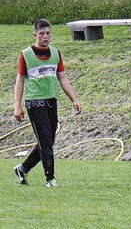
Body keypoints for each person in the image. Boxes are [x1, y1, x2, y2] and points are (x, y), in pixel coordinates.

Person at [13, 19, 82, 187]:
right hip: (35, 102)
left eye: (48, 33)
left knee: (48, 142)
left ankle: (22, 168)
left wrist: (74, 99)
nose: (45, 36)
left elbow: (63, 78)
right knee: (45, 142)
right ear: (35, 35)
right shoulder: (26, 54)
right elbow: (20, 80)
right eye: (42, 33)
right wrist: (18, 106)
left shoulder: (55, 53)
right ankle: (50, 178)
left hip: (51, 100)